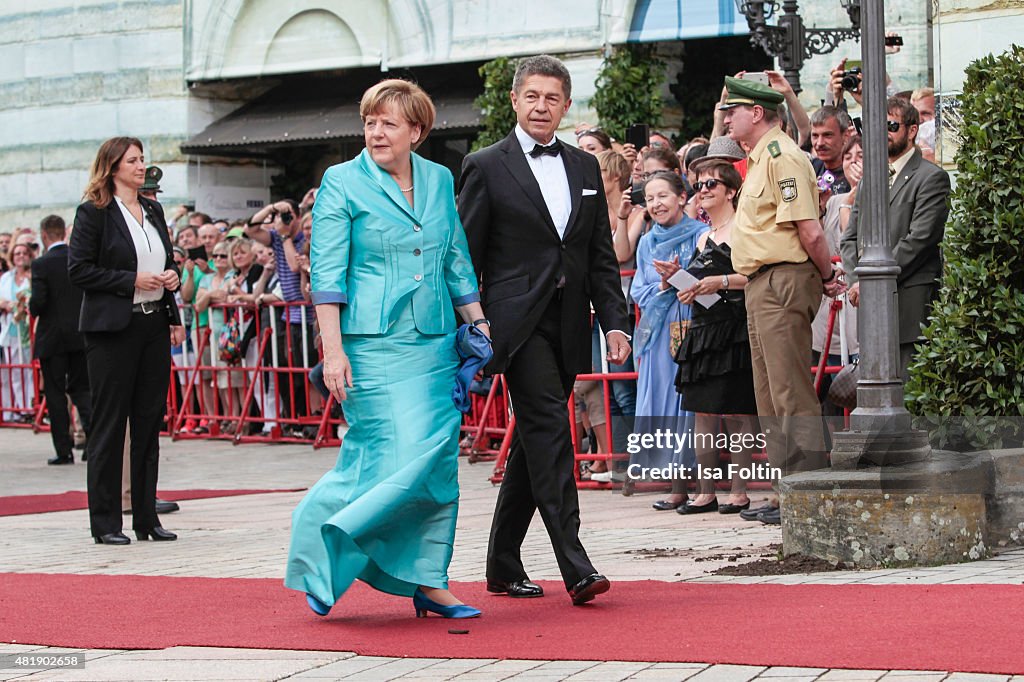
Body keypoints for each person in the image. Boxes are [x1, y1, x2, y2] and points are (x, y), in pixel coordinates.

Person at [285, 79, 486, 620]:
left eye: (388, 122)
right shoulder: (341, 182)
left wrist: (480, 325)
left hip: (435, 342)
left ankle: (430, 580)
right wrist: (332, 351)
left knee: (437, 460)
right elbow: (326, 274)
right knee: (379, 460)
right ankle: (321, 557)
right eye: (370, 121)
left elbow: (455, 258)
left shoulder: (441, 179)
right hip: (369, 346)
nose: (375, 131)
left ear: (416, 131)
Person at [458, 55, 631, 606]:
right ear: (514, 100)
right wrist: (474, 321)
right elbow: (466, 252)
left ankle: (501, 562)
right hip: (515, 323)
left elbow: (599, 256)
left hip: (570, 320)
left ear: (565, 105)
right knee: (551, 430)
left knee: (537, 442)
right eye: (531, 96)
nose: (541, 106)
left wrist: (615, 323)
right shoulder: (485, 165)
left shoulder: (583, 166)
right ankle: (575, 564)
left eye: (552, 98)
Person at [719, 77, 844, 526]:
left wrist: (829, 274)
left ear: (757, 113)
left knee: (789, 391)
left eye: (733, 110)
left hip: (782, 279)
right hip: (760, 282)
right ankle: (787, 490)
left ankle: (808, 492)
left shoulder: (782, 156)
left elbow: (809, 230)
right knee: (770, 394)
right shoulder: (760, 158)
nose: (726, 117)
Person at [68, 136, 182, 546]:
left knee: (149, 423)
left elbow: (167, 260)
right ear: (113, 166)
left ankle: (147, 518)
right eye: (133, 160)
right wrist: (129, 280)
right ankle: (106, 523)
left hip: (153, 324)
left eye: (142, 159)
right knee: (110, 425)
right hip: (113, 329)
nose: (141, 166)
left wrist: (171, 277)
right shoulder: (94, 213)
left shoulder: (152, 208)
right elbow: (78, 270)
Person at [841, 97, 950, 381]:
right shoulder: (869, 179)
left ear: (912, 130)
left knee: (909, 397)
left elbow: (920, 240)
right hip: (869, 308)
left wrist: (871, 281)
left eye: (891, 125)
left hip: (909, 308)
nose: (883, 132)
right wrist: (856, 280)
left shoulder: (931, 178)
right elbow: (850, 237)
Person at [673, 159, 759, 515]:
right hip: (704, 329)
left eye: (711, 184)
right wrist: (677, 280)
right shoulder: (703, 235)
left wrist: (718, 281)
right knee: (702, 412)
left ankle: (738, 491)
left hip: (735, 327)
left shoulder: (744, 228)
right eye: (700, 184)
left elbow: (754, 276)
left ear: (731, 191)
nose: (703, 190)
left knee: (739, 411)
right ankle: (705, 491)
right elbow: (702, 290)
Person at [628, 171, 705, 509]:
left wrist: (679, 277)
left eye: (663, 196)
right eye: (650, 199)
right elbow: (639, 290)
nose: (657, 204)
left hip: (694, 324)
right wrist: (662, 285)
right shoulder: (646, 242)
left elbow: (708, 287)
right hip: (659, 333)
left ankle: (703, 484)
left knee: (691, 407)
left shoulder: (702, 235)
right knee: (663, 402)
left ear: (682, 197)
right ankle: (675, 483)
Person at [29, 215, 93, 465]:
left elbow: (39, 302)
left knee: (55, 394)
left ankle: (63, 449)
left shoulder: (42, 264)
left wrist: (32, 308)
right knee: (83, 389)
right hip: (80, 333)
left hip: (53, 337)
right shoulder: (78, 259)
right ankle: (93, 442)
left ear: (44, 235)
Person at [0, 241, 35, 423]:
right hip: (9, 330)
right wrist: (5, 304)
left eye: (24, 253)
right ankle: (14, 409)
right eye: (17, 253)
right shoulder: (6, 277)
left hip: (27, 332)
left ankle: (28, 408)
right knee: (12, 372)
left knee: (28, 370)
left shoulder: (33, 276)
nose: (20, 256)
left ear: (29, 256)